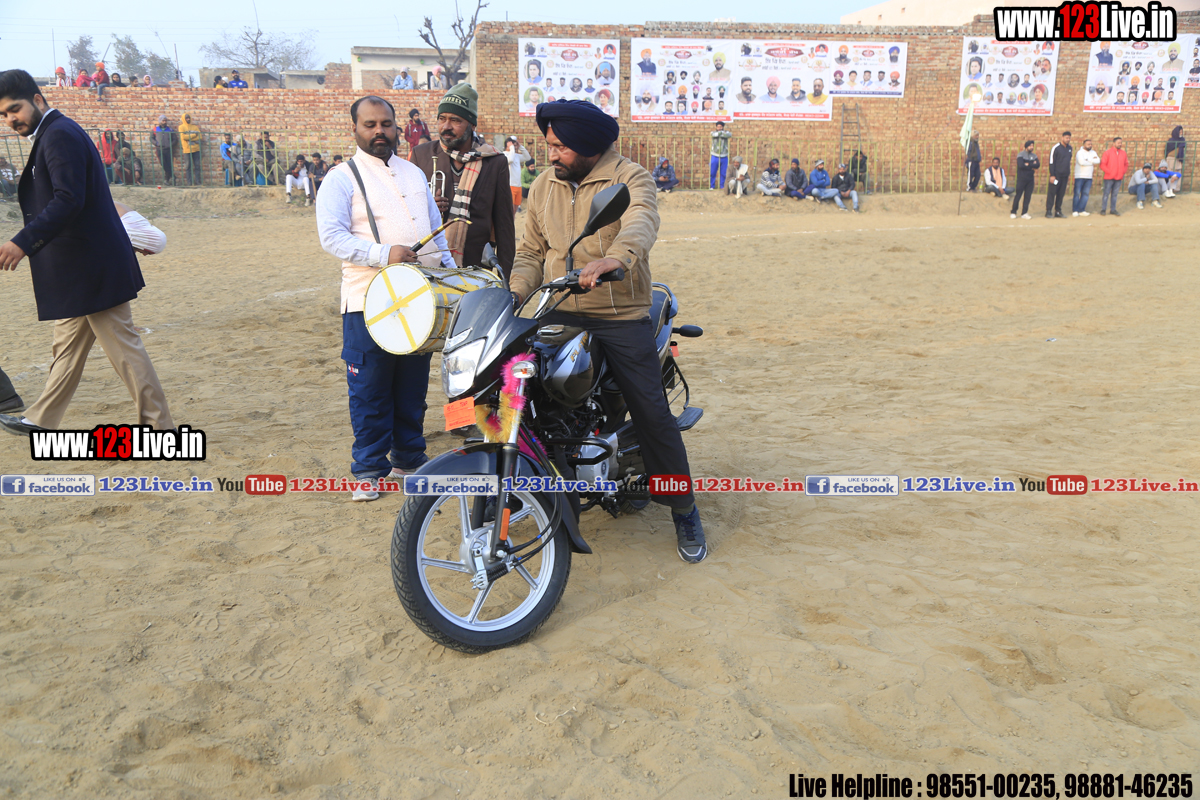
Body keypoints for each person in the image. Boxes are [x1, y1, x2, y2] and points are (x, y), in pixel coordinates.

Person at [509, 98, 709, 563]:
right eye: (548, 145)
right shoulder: (545, 185)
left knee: (652, 413)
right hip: (559, 310)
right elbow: (531, 251)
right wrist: (514, 293)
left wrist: (616, 258)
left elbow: (641, 220)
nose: (550, 154)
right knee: (518, 390)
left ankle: (684, 508)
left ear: (587, 146)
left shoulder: (630, 177)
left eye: (559, 146)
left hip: (619, 314)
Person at [0, 69, 174, 437]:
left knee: (125, 349)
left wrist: (22, 242)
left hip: (91, 268)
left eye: (14, 109)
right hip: (79, 268)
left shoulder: (59, 135)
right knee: (66, 347)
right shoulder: (54, 132)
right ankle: (41, 419)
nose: (10, 119)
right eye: (3, 114)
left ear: (37, 99)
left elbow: (68, 199)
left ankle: (159, 429)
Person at [316, 95, 456, 500]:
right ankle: (369, 469)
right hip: (368, 300)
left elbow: (435, 233)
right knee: (371, 387)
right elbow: (332, 237)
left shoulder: (413, 173)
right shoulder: (341, 177)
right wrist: (384, 254)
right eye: (370, 124)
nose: (380, 131)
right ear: (355, 129)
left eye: (386, 124)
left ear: (397, 127)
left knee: (411, 386)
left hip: (419, 298)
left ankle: (409, 458)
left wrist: (451, 276)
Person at [411, 83, 515, 276]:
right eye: (442, 119)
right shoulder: (421, 155)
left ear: (472, 124)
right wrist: (427, 208)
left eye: (455, 120)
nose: (446, 126)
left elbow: (505, 225)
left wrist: (507, 278)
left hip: (476, 267)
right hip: (429, 264)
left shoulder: (495, 161)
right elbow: (406, 212)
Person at [1044, 130, 1072, 218]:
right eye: (1066, 138)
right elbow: (1051, 162)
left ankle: (1058, 211)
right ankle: (1048, 211)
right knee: (1052, 193)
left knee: (1061, 194)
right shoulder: (1056, 148)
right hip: (1056, 175)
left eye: (1069, 138)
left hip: (1065, 175)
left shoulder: (1070, 148)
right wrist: (1052, 175)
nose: (1068, 139)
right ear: (1062, 138)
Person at [1099, 136, 1128, 216]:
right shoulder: (1107, 153)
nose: (1120, 144)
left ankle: (1113, 209)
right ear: (1114, 143)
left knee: (1114, 195)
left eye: (1121, 143)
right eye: (1118, 143)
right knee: (1106, 194)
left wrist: (1122, 172)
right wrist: (1109, 172)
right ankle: (1103, 209)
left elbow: (1126, 164)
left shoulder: (1123, 153)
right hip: (1109, 177)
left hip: (1119, 177)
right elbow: (1103, 164)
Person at [1010, 140, 1039, 219]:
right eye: (1030, 146)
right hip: (1021, 178)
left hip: (1030, 179)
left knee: (1027, 196)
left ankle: (1024, 212)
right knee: (1018, 195)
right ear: (1026, 146)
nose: (1032, 147)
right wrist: (1032, 165)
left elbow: (1037, 165)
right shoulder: (1021, 155)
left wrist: (1028, 164)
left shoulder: (1034, 155)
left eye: (1032, 146)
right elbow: (1021, 165)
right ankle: (1013, 211)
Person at [1072, 137, 1100, 216]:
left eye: (1090, 144)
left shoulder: (1093, 152)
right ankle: (1075, 210)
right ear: (1084, 145)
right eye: (1088, 144)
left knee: (1085, 194)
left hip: (1089, 177)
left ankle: (1081, 210)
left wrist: (1088, 160)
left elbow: (1098, 160)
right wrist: (1092, 161)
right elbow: (1081, 162)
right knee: (1077, 194)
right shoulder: (1080, 152)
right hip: (1079, 176)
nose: (1090, 145)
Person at [503, 136, 531, 212]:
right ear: (508, 145)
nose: (515, 147)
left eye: (516, 145)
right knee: (510, 209)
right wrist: (511, 148)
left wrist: (520, 147)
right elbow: (510, 160)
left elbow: (528, 157)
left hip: (518, 186)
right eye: (513, 145)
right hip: (510, 186)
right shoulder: (504, 155)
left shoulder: (516, 156)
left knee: (514, 210)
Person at [178, 112, 202, 186]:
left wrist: (189, 137)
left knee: (197, 166)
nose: (188, 119)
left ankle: (198, 182)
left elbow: (200, 137)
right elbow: (183, 137)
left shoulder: (194, 127)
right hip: (187, 149)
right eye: (186, 118)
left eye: (189, 118)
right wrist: (194, 135)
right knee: (188, 166)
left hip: (196, 149)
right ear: (184, 119)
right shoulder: (181, 127)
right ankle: (189, 183)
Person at [152, 115, 175, 185]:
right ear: (160, 121)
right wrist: (156, 143)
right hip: (159, 149)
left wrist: (170, 144)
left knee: (169, 164)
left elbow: (175, 139)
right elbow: (151, 138)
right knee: (163, 163)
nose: (164, 122)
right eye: (163, 121)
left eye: (165, 121)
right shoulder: (155, 129)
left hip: (168, 150)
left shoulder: (170, 129)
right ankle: (172, 176)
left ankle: (167, 180)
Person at [709, 121, 731, 190]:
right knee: (712, 172)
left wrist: (720, 133)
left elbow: (729, 135)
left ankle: (722, 186)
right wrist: (721, 133)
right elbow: (713, 135)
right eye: (718, 126)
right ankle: (712, 186)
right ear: (716, 127)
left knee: (723, 173)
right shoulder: (713, 132)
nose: (719, 128)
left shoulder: (726, 132)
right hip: (714, 155)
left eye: (720, 127)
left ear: (723, 127)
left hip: (724, 156)